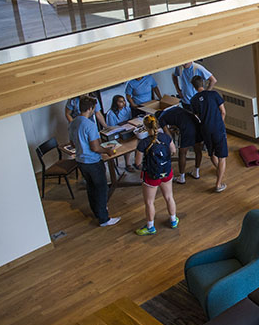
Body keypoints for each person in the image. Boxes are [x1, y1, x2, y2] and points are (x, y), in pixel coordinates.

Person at [67, 96, 120, 227]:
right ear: (90, 109)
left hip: (81, 161)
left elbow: (72, 143)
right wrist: (107, 150)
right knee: (101, 188)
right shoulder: (89, 125)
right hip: (92, 162)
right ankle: (104, 218)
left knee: (91, 188)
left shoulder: (73, 122)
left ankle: (97, 212)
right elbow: (95, 147)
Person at [133, 115, 178, 236]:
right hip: (166, 171)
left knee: (149, 202)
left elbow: (137, 163)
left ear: (145, 128)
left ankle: (150, 226)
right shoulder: (166, 138)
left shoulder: (143, 143)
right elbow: (173, 151)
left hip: (151, 175)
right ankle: (173, 220)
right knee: (169, 197)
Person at [190, 75, 228, 193]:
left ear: (194, 87)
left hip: (205, 129)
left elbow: (196, 116)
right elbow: (223, 111)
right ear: (204, 83)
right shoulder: (214, 95)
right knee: (222, 157)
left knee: (212, 153)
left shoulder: (193, 100)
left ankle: (219, 170)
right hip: (217, 128)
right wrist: (220, 124)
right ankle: (218, 184)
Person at [157, 105, 203, 185]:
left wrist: (171, 146)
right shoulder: (171, 110)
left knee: (182, 153)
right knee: (198, 149)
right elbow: (178, 119)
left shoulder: (161, 119)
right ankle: (196, 172)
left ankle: (181, 177)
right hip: (196, 122)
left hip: (187, 128)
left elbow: (168, 136)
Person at [106, 94, 135, 173]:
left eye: (124, 101)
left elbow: (130, 119)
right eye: (120, 101)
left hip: (127, 129)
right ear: (116, 103)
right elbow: (111, 127)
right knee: (125, 145)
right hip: (117, 133)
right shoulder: (111, 113)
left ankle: (136, 162)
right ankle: (127, 164)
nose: (123, 103)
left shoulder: (127, 109)